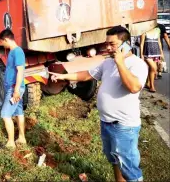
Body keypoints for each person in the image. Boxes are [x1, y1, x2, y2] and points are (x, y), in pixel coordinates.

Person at [50, 26, 148, 182]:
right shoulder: (107, 63)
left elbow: (134, 87)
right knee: (116, 161)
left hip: (124, 126)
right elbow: (87, 75)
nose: (107, 47)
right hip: (107, 123)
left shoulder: (137, 64)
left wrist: (120, 62)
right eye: (106, 43)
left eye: (112, 44)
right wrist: (63, 76)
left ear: (126, 44)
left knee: (130, 169)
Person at [0, 29, 26, 149]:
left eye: (2, 42)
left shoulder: (17, 52)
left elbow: (20, 71)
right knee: (19, 112)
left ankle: (10, 143)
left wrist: (16, 90)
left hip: (14, 89)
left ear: (6, 39)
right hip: (14, 88)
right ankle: (22, 138)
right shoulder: (12, 52)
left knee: (5, 115)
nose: (2, 45)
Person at [140, 27, 164, 92]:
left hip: (156, 53)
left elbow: (159, 43)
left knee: (152, 69)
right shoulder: (144, 31)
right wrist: (141, 55)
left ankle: (148, 83)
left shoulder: (157, 30)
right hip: (147, 53)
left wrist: (161, 53)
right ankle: (152, 86)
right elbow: (141, 44)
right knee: (153, 68)